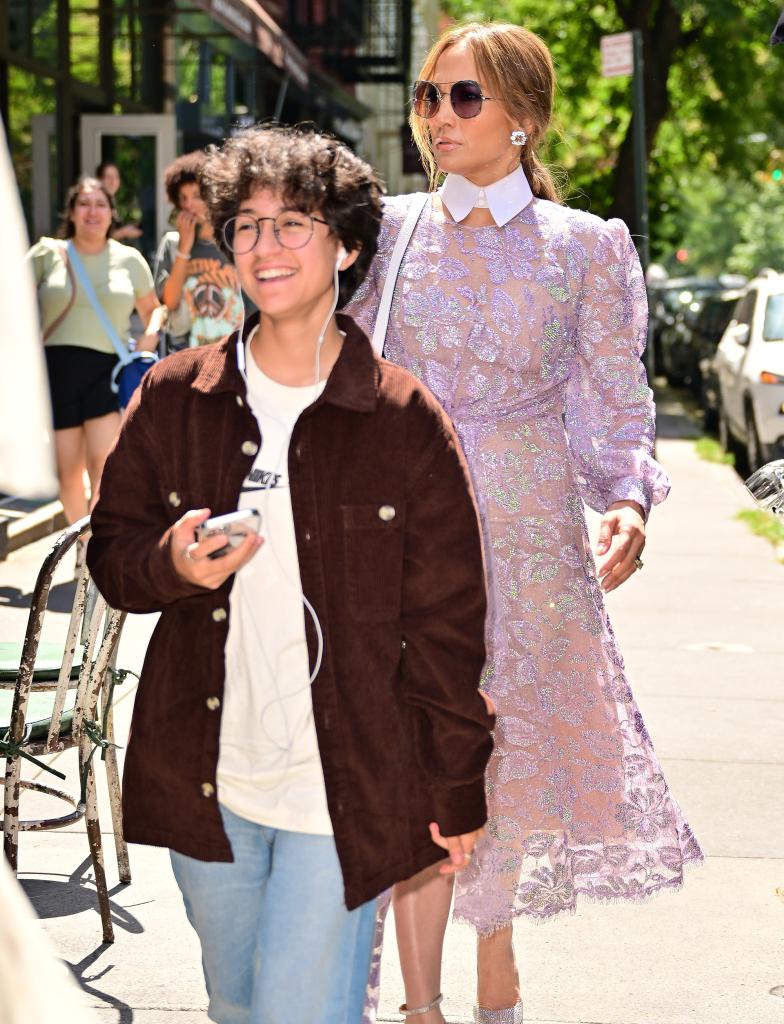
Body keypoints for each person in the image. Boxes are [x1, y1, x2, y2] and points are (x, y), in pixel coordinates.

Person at [87, 125, 496, 1024]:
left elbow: (448, 623)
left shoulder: (402, 419)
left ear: (346, 245)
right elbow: (112, 554)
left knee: (298, 1013)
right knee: (239, 1006)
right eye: (246, 227)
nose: (263, 248)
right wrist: (174, 565)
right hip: (209, 780)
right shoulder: (176, 395)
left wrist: (454, 781)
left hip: (345, 784)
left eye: (292, 225)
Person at [347, 21, 704, 1024]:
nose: (437, 116)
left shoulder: (585, 246)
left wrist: (628, 501)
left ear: (525, 119)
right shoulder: (386, 229)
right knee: (405, 741)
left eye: (464, 98)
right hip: (403, 525)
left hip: (527, 534)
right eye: (427, 95)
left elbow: (616, 403)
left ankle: (493, 971)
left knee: (494, 751)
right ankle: (411, 996)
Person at [29, 176, 166, 528]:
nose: (93, 211)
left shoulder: (128, 259)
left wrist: (149, 337)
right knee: (67, 473)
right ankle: (83, 543)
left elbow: (154, 309)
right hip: (56, 372)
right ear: (72, 212)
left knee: (102, 466)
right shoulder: (48, 254)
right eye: (84, 204)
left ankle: (96, 548)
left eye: (100, 204)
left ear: (112, 213)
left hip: (108, 372)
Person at [153, 150, 245, 350]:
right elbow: (170, 302)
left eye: (196, 196)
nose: (189, 205)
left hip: (233, 352)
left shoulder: (235, 242)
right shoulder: (172, 244)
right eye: (183, 198)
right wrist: (184, 248)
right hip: (185, 352)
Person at [95, 160, 143, 243]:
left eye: (116, 177)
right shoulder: (95, 204)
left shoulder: (114, 203)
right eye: (108, 177)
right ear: (99, 179)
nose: (113, 181)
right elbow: (97, 237)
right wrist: (124, 232)